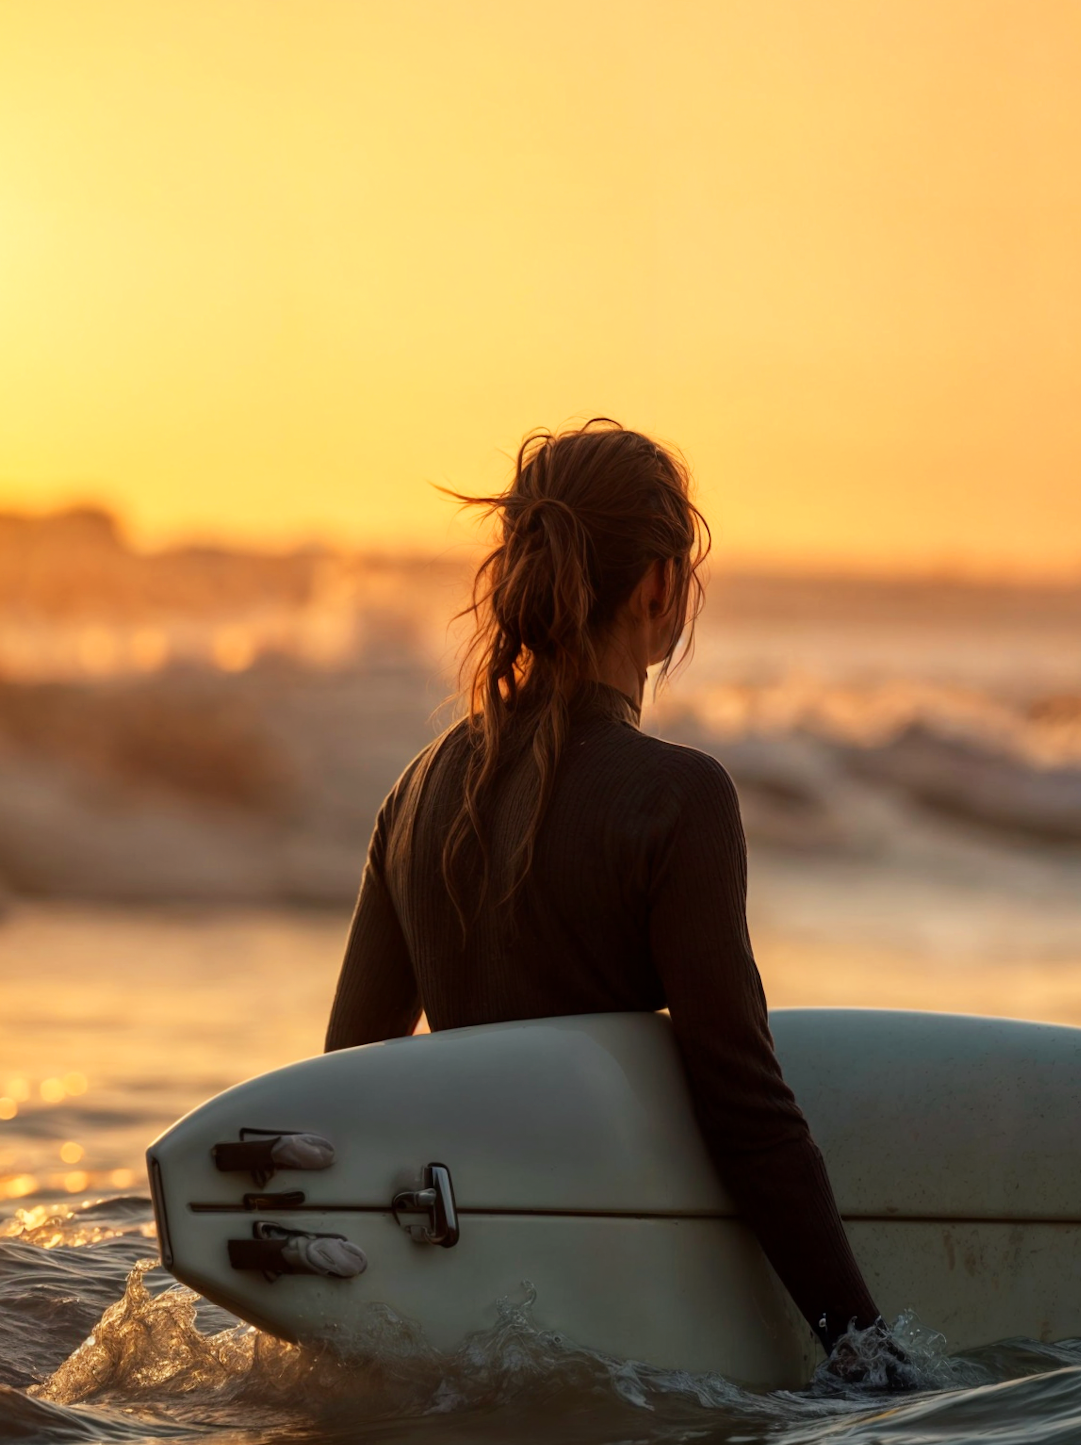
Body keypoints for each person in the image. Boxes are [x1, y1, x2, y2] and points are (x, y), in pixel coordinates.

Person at [325, 418, 911, 1385]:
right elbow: (744, 1107)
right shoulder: (679, 798)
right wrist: (865, 1351)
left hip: (473, 1310)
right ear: (658, 588)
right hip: (610, 1316)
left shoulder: (415, 792)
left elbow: (350, 1084)